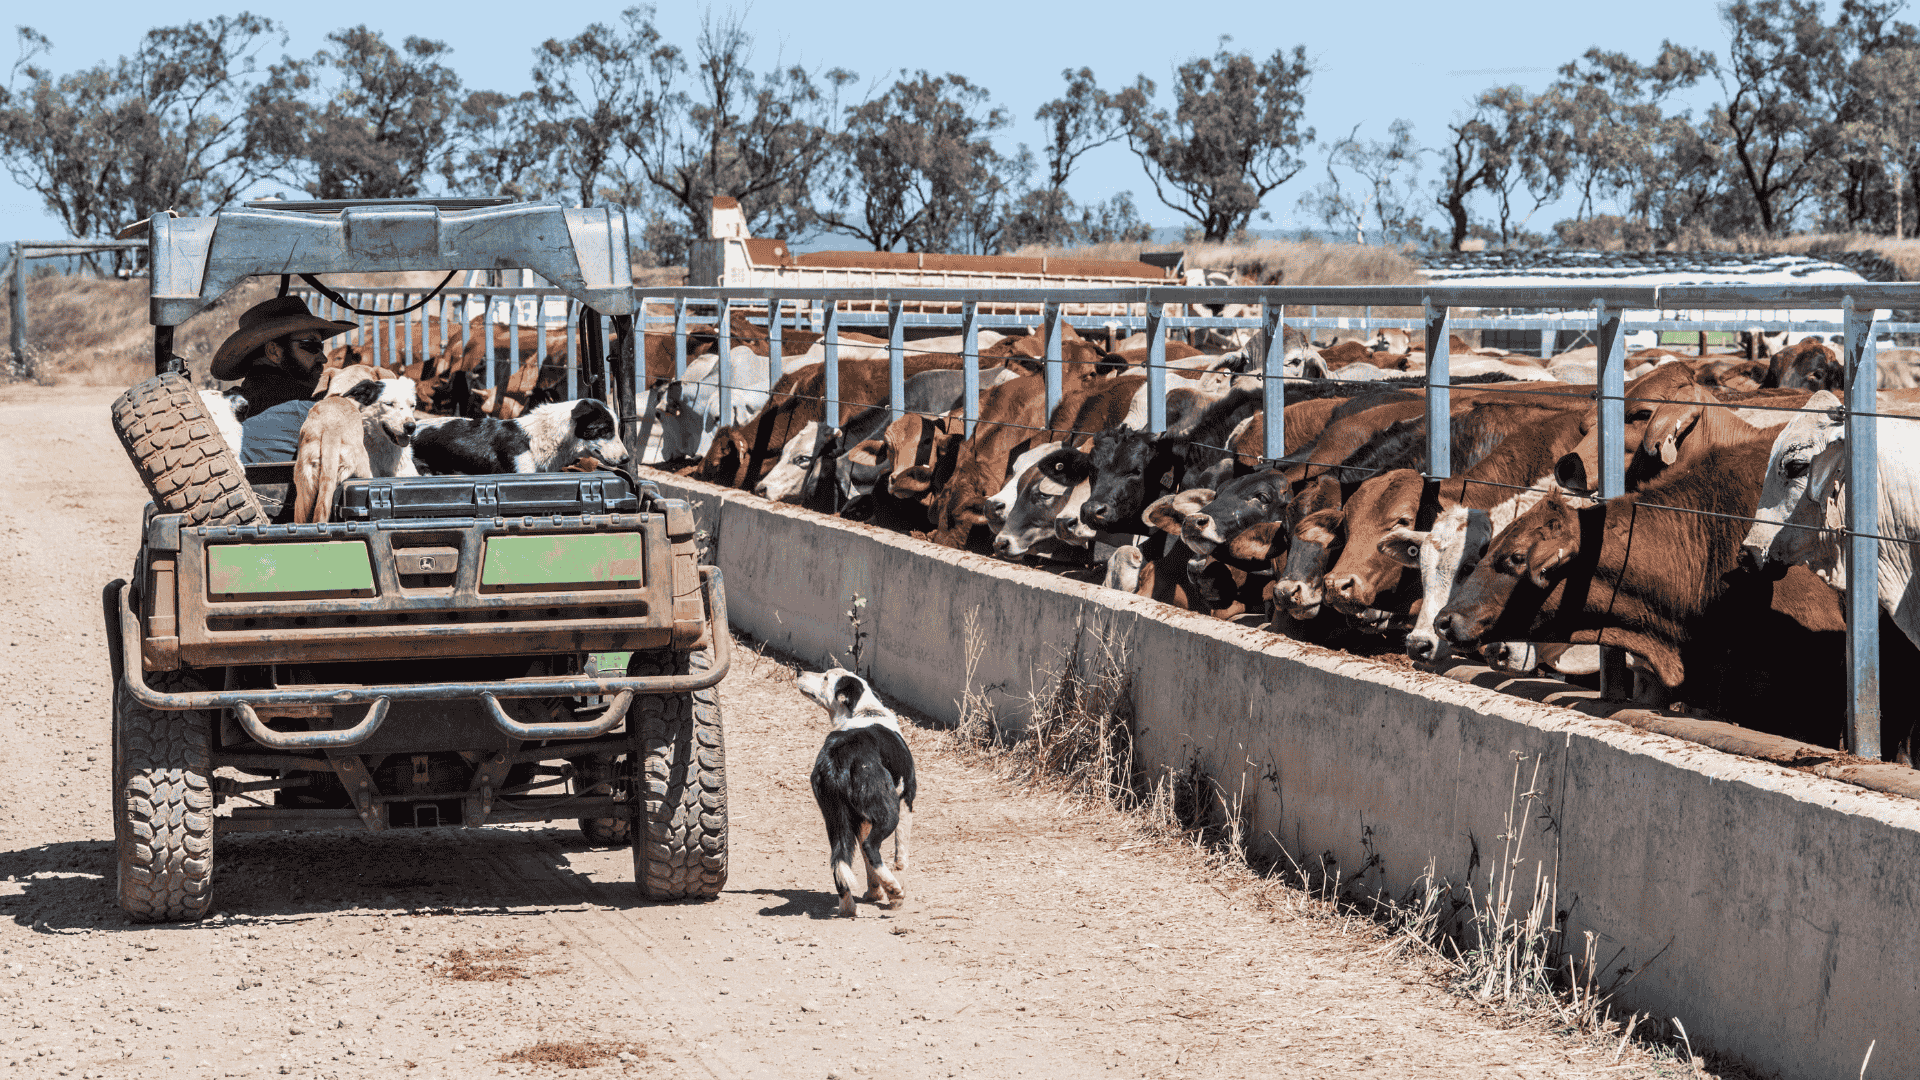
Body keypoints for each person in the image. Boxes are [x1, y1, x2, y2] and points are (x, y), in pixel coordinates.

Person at [209, 295, 356, 463]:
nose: (323, 358)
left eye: (321, 347)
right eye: (311, 346)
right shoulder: (313, 412)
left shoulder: (217, 410)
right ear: (274, 352)